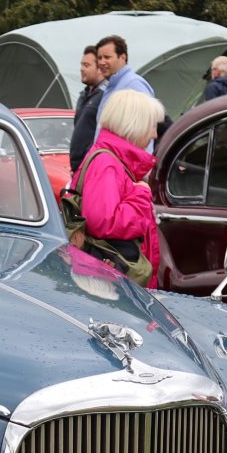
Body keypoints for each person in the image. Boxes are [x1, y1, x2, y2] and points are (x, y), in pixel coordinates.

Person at [69, 88, 165, 288]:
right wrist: (141, 193)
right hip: (111, 282)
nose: (155, 133)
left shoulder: (111, 160)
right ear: (135, 125)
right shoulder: (108, 163)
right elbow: (104, 222)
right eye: (152, 126)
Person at [69, 45, 105, 173]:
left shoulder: (104, 97)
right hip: (77, 169)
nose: (82, 69)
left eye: (86, 65)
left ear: (99, 68)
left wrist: (88, 160)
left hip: (91, 168)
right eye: (82, 65)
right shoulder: (83, 96)